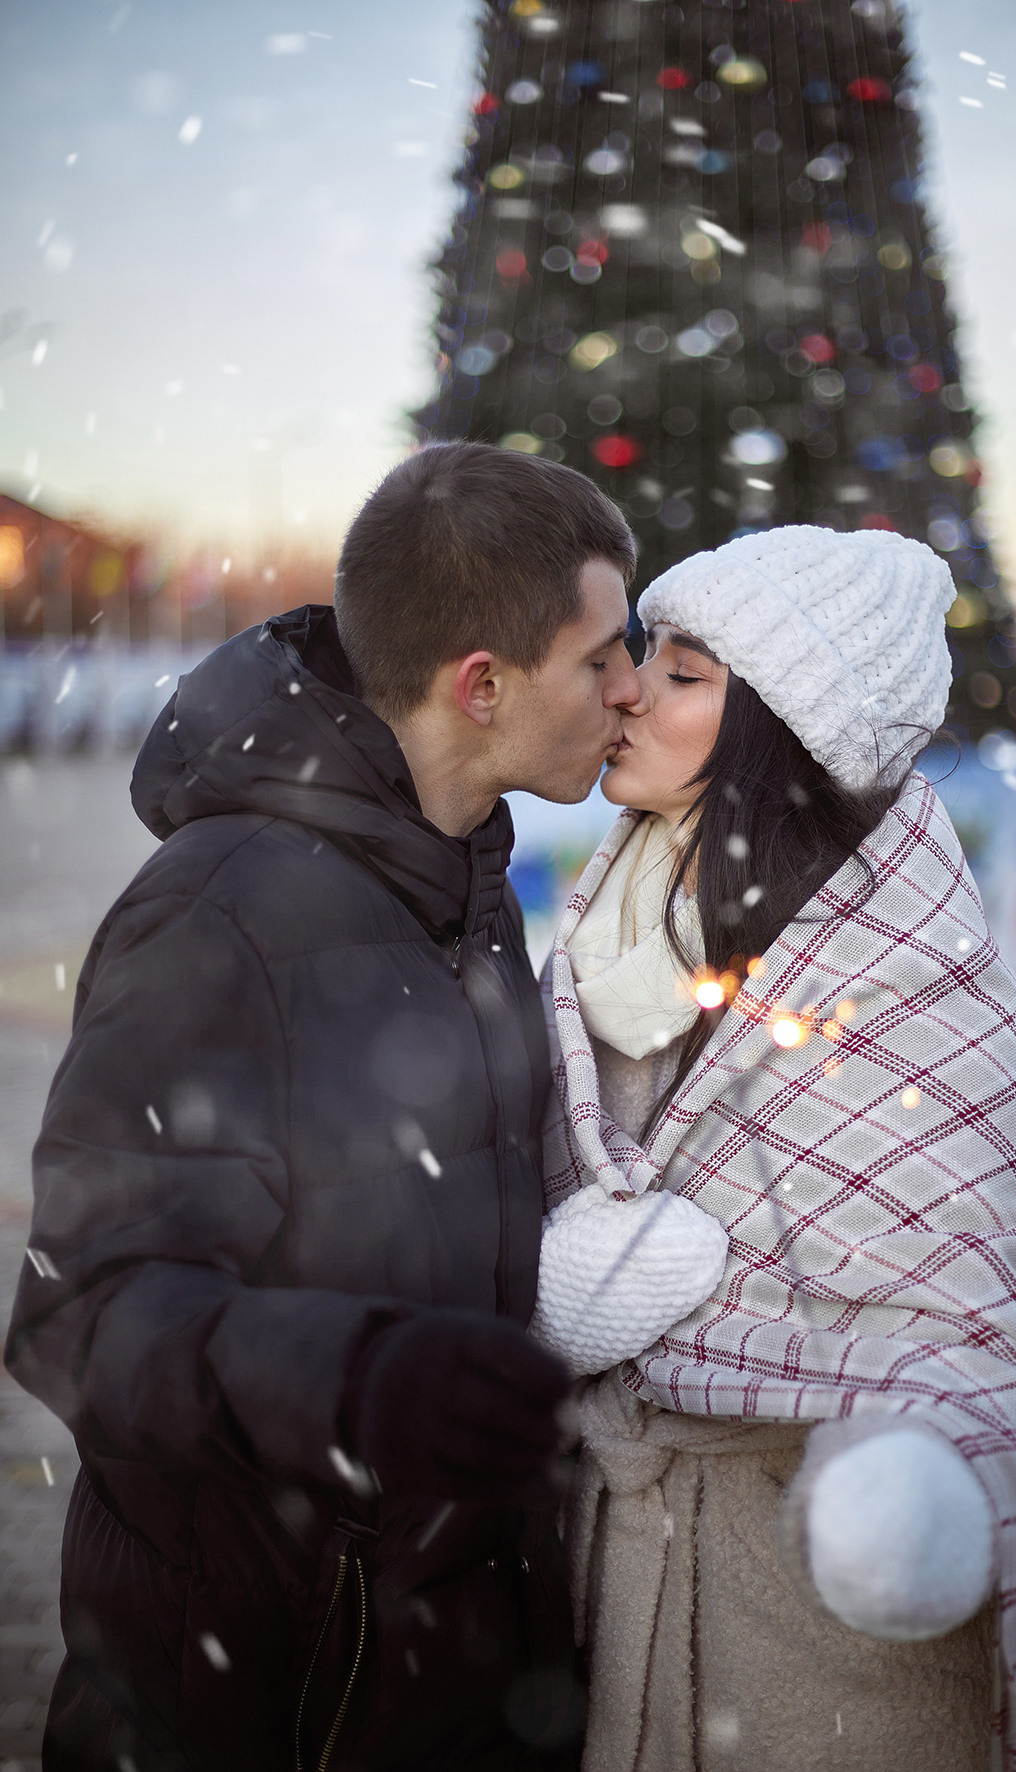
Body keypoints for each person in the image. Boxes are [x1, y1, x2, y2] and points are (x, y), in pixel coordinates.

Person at [4, 441, 642, 1772]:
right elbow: (84, 1314)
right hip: (268, 1690)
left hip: (450, 1664)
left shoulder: (460, 879)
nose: (628, 687)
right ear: (481, 685)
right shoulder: (216, 913)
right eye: (600, 658)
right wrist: (358, 1381)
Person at [532, 526, 1016, 1772]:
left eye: (682, 672)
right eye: (640, 653)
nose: (627, 689)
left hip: (821, 1617)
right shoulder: (620, 922)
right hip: (626, 1576)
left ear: (779, 732)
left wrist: (890, 1501)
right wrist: (581, 1281)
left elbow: (958, 1322)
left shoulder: (906, 983)